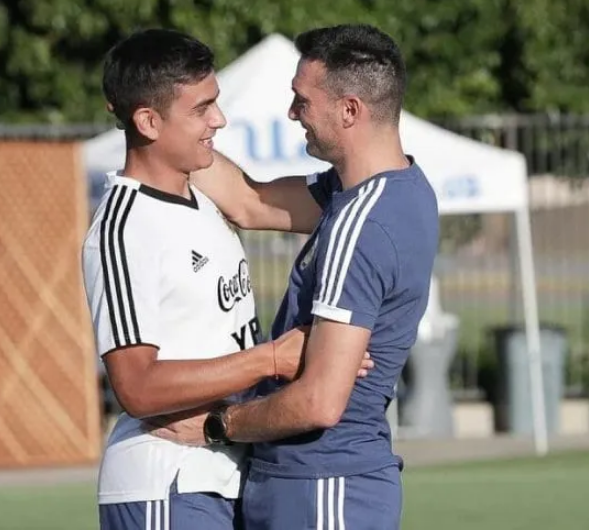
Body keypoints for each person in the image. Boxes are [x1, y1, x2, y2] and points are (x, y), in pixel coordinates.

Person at [80, 28, 372, 530]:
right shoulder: (123, 228)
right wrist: (273, 359)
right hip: (166, 481)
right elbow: (137, 387)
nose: (219, 119)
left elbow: (263, 202)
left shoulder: (202, 190)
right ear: (148, 121)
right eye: (201, 109)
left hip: (221, 472)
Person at [169, 23, 440, 530]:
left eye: (302, 100)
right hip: (312, 482)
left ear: (350, 110)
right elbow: (250, 202)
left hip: (324, 486)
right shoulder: (386, 190)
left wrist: (217, 425)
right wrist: (173, 130)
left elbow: (319, 401)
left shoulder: (363, 224)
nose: (293, 113)